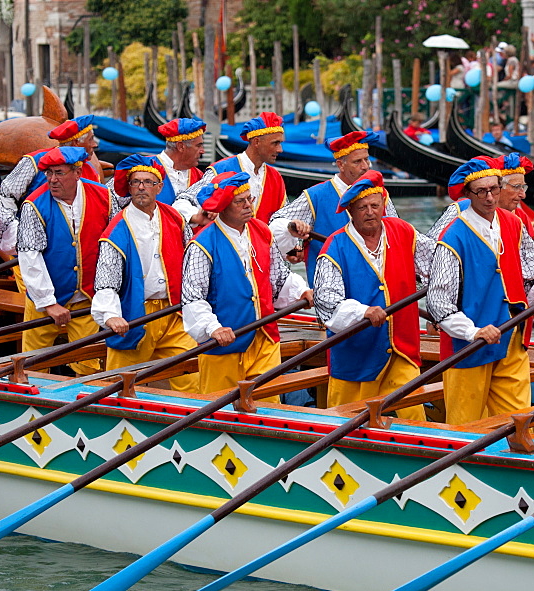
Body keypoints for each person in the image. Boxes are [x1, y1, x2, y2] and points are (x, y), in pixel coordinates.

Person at [427, 158, 534, 424]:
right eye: (481, 191)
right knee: (466, 425)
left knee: (519, 421)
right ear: (467, 194)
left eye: (494, 189)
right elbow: (439, 302)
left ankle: (517, 460)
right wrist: (472, 331)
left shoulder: (513, 224)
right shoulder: (453, 238)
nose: (489, 197)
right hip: (469, 345)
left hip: (513, 335)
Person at [314, 170, 435, 419]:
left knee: (414, 418)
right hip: (356, 360)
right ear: (350, 211)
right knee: (345, 424)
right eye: (362, 207)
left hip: (402, 349)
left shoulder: (404, 232)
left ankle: (419, 455)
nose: (370, 212)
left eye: (375, 205)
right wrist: (363, 311)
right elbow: (326, 304)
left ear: (383, 205)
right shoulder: (334, 247)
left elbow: (438, 265)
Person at [181, 171, 311, 396]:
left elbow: (278, 276)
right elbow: (193, 297)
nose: (249, 205)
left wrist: (301, 291)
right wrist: (214, 328)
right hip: (224, 344)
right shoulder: (201, 245)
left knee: (269, 404)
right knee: (219, 408)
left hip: (265, 337)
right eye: (240, 201)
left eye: (250, 199)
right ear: (224, 206)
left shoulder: (262, 231)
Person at [92, 155, 198, 393]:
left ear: (160, 187)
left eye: (148, 182)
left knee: (192, 376)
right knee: (121, 386)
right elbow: (106, 278)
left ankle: (190, 424)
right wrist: (110, 315)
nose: (141, 187)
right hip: (136, 314)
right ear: (128, 188)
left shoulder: (175, 218)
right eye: (136, 182)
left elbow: (192, 262)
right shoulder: (117, 229)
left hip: (174, 313)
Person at [17, 147, 113, 375]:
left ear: (77, 172)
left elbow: (112, 247)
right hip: (44, 302)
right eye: (48, 173)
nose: (52, 179)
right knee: (33, 365)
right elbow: (30, 258)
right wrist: (49, 302)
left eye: (58, 173)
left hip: (86, 299)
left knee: (88, 366)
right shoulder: (33, 205)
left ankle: (86, 406)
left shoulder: (104, 197)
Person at [268, 131, 397, 288]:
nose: (365, 167)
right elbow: (276, 225)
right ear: (341, 165)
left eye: (366, 160)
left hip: (376, 285)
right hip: (331, 289)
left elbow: (395, 234)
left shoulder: (381, 194)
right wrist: (291, 228)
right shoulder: (315, 196)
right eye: (357, 162)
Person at [0, 115, 102, 256]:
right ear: (75, 143)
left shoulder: (90, 170)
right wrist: (18, 233)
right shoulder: (34, 161)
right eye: (91, 139)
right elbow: (5, 196)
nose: (95, 144)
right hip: (32, 250)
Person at [177, 112, 287, 225]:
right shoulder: (222, 169)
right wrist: (197, 215)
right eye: (275, 143)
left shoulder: (275, 177)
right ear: (256, 142)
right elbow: (183, 201)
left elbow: (284, 216)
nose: (280, 149)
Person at [493, 152, 534, 236]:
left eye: (523, 187)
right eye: (516, 187)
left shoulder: (521, 216)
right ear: (497, 186)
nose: (523, 195)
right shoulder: (473, 213)